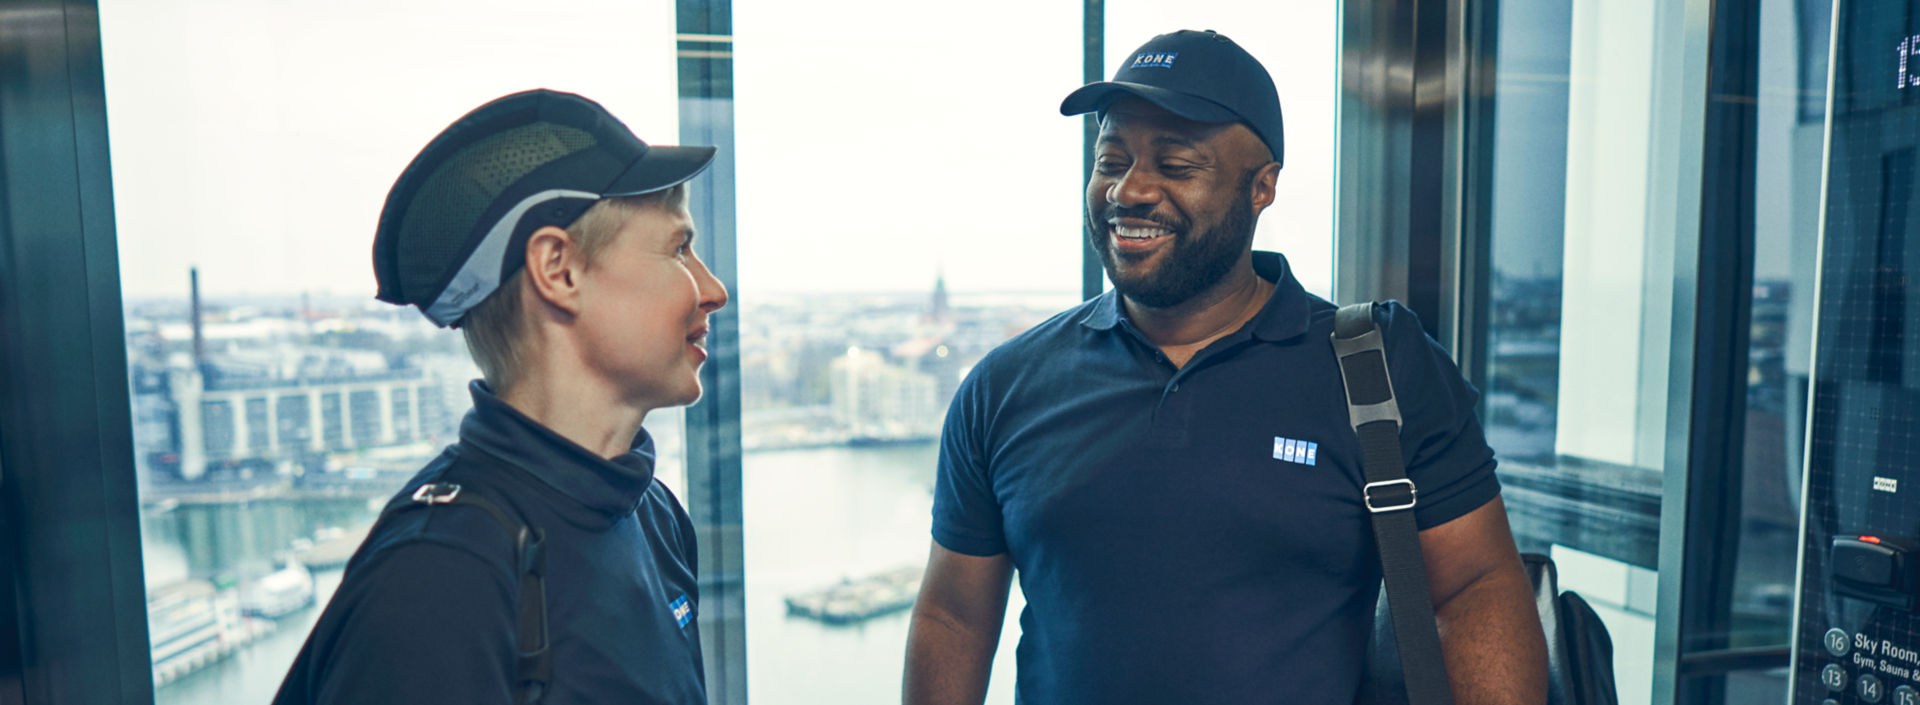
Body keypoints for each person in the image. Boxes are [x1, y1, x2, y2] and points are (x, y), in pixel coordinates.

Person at [903, 30, 1547, 704]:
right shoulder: (1005, 387)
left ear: (1262, 186)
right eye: (1110, 158)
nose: (1130, 189)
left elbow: (1474, 588)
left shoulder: (1377, 364)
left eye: (1175, 164)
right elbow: (953, 613)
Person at [272, 89, 726, 705]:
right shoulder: (437, 578)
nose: (713, 289)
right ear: (558, 271)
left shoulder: (652, 513)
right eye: (678, 248)